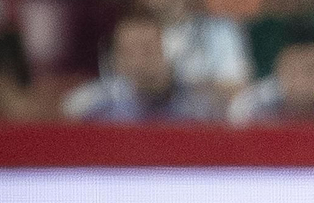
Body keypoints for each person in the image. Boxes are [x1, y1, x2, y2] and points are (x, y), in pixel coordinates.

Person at [62, 11, 218, 121]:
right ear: (116, 60)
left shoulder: (197, 107)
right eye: (131, 51)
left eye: (148, 48)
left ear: (165, 52)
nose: (141, 59)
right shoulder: (93, 107)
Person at [228, 37, 314, 123]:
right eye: (292, 71)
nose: (300, 81)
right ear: (278, 69)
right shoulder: (253, 107)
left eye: (310, 70)